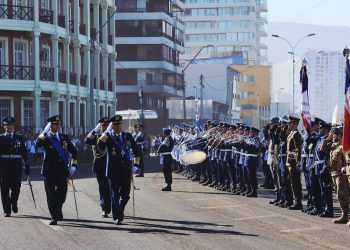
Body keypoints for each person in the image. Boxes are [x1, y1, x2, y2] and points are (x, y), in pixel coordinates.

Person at [35, 115, 78, 225]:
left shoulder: (64, 137)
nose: (57, 126)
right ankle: (54, 216)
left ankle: (58, 209)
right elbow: (37, 144)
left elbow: (74, 151)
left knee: (62, 194)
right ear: (50, 125)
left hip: (62, 171)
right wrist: (44, 131)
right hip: (49, 171)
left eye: (58, 124)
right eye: (54, 124)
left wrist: (74, 166)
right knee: (51, 194)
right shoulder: (45, 138)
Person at [97, 115, 140, 225]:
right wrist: (105, 132)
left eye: (120, 124)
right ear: (112, 126)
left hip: (126, 170)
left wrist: (136, 164)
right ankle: (118, 216)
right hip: (112, 171)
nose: (118, 126)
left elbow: (137, 150)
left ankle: (119, 210)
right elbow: (99, 146)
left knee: (125, 195)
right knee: (115, 195)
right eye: (116, 124)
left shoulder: (127, 136)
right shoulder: (107, 136)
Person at [0, 117, 30, 217]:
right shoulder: (1, 138)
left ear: (13, 126)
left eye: (11, 125)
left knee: (16, 188)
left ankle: (14, 202)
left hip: (16, 166)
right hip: (4, 167)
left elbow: (24, 152)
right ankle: (7, 210)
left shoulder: (19, 137)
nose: (9, 127)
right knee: (4, 189)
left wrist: (27, 163)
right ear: (4, 127)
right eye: (7, 125)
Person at [321, 125, 349, 224]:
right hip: (334, 173)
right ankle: (344, 215)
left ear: (341, 135)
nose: (334, 135)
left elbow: (347, 160)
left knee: (344, 195)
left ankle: (346, 215)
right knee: (339, 195)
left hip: (342, 175)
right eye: (334, 133)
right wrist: (328, 138)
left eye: (336, 133)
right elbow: (323, 149)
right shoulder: (334, 145)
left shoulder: (344, 146)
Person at [85, 117, 111, 218]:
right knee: (103, 187)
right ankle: (104, 208)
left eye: (106, 125)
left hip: (112, 166)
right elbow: (87, 140)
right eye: (102, 125)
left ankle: (115, 206)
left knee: (113, 187)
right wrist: (94, 130)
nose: (104, 127)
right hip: (100, 166)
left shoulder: (112, 136)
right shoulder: (96, 137)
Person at [286, 115, 303, 210]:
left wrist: (298, 161)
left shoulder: (296, 134)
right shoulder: (291, 133)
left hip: (293, 163)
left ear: (295, 124)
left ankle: (298, 202)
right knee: (291, 183)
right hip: (289, 162)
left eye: (290, 123)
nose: (288, 124)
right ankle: (293, 200)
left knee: (295, 183)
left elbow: (298, 149)